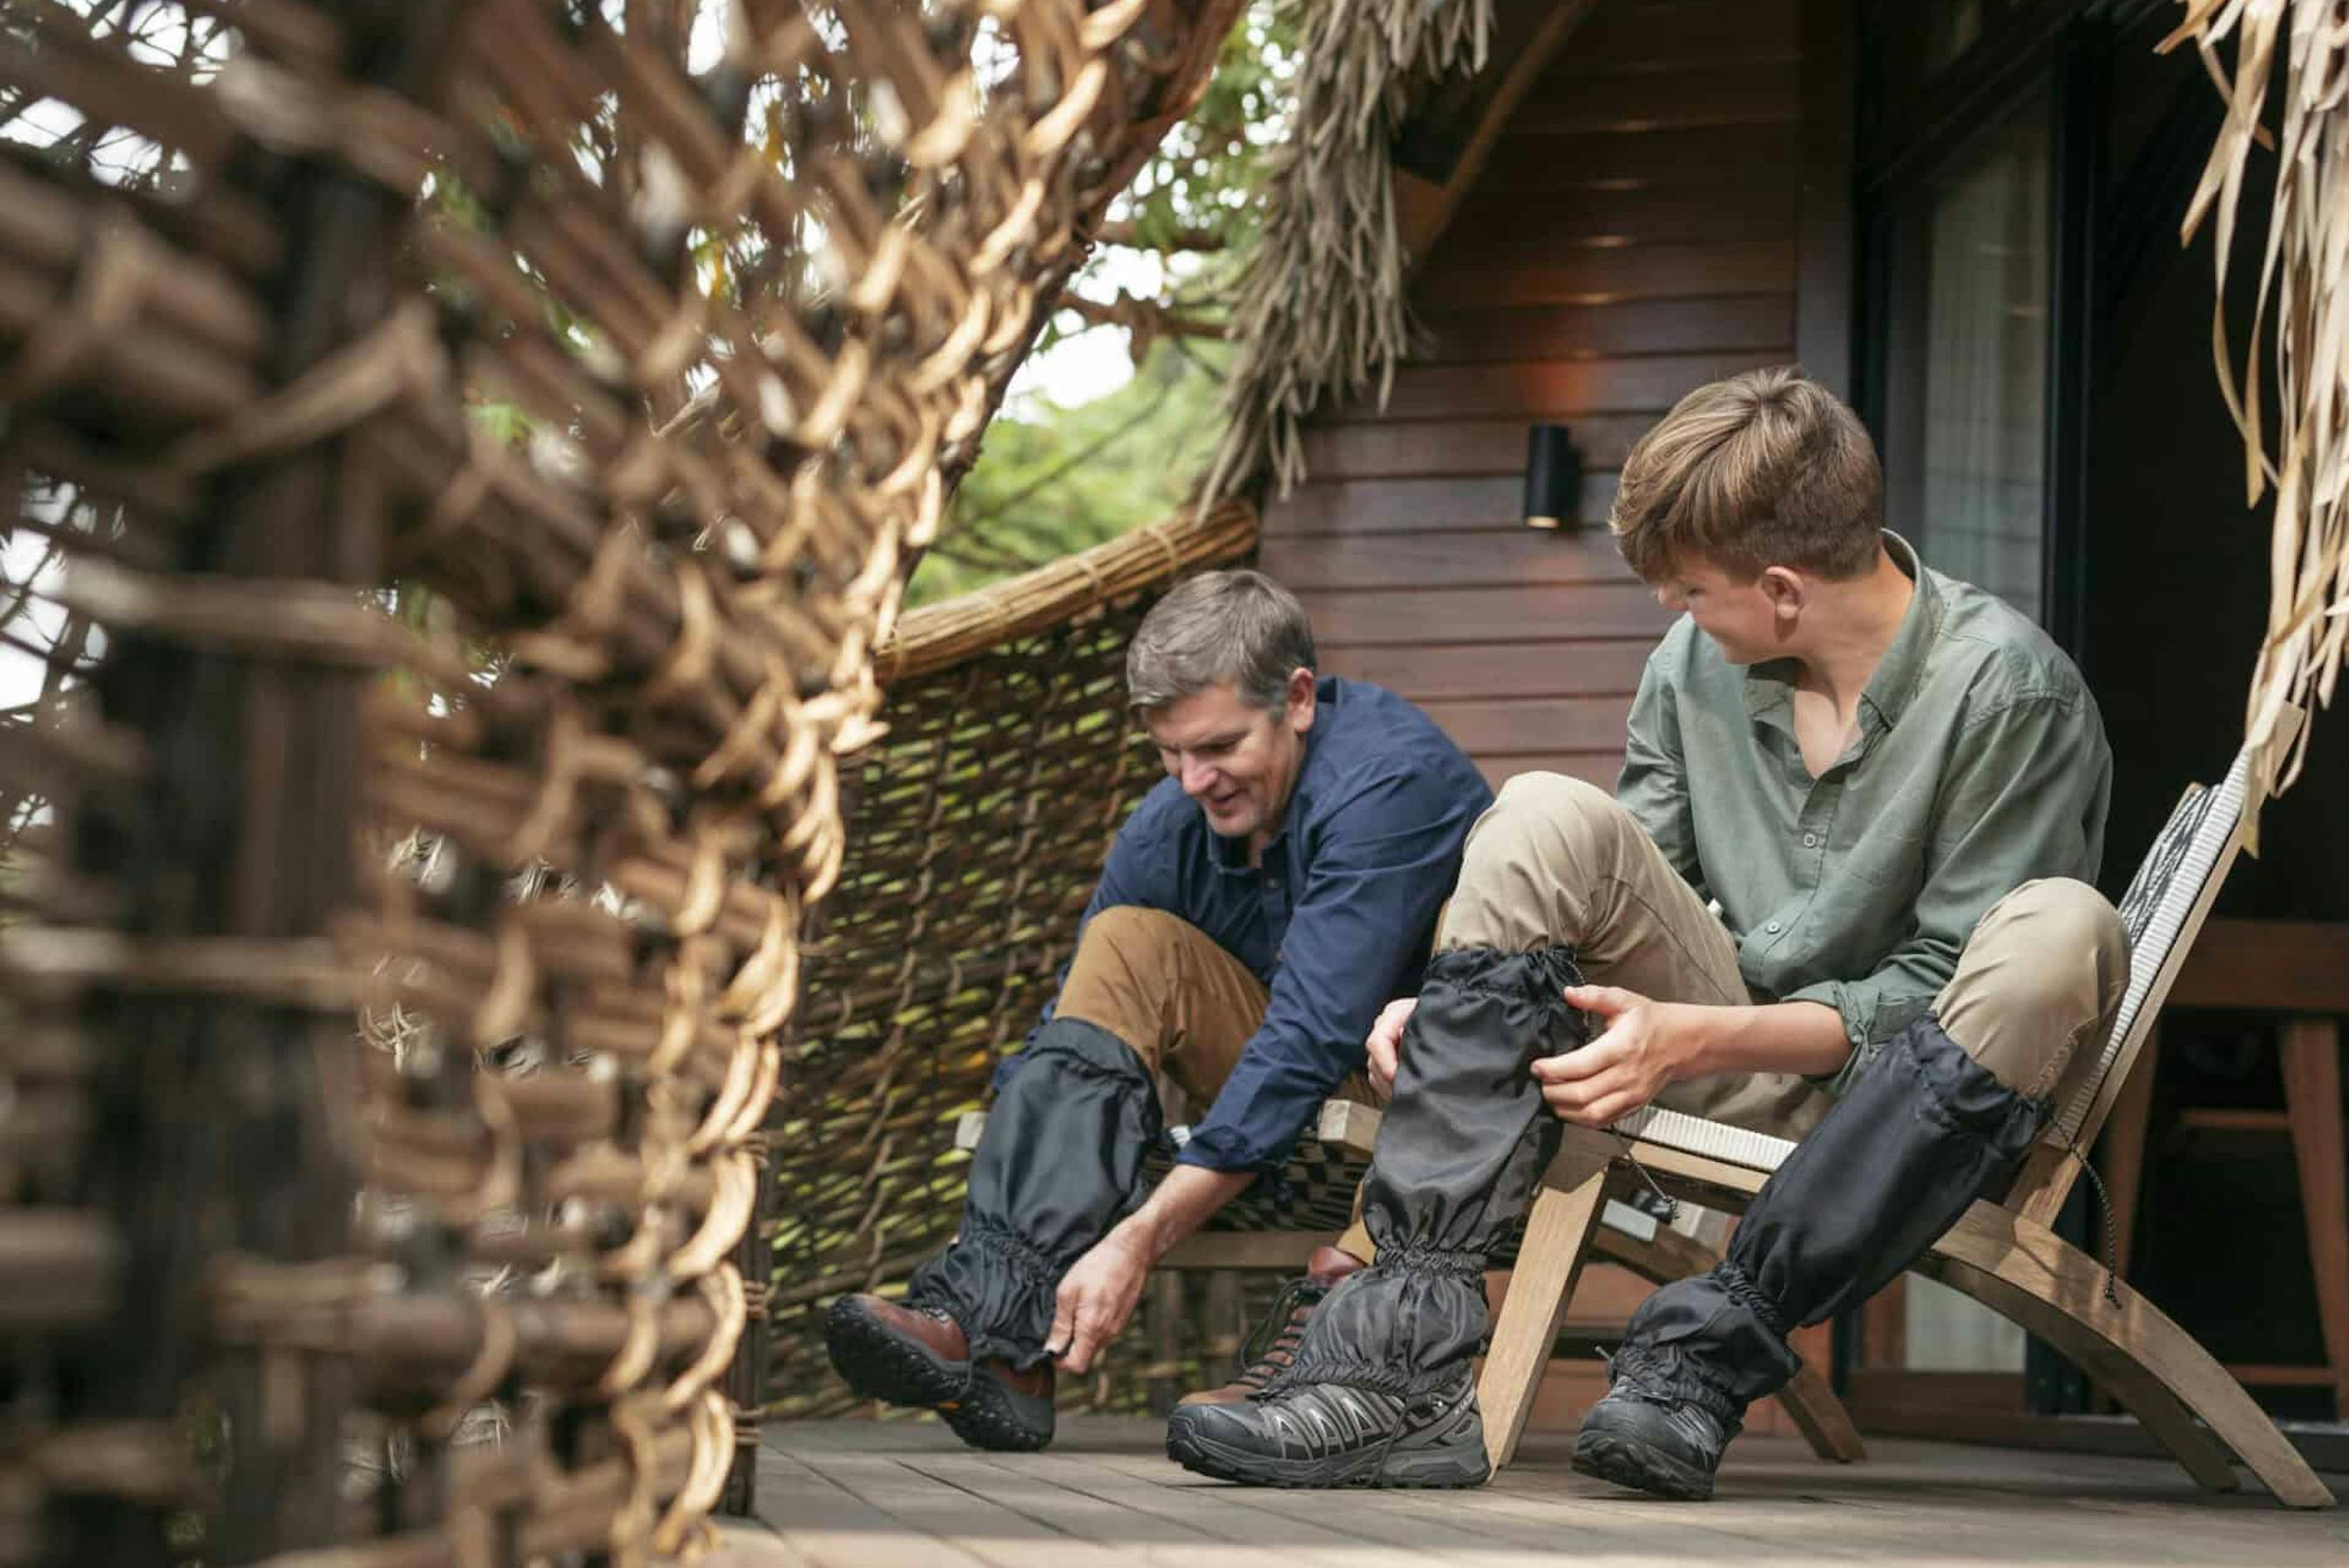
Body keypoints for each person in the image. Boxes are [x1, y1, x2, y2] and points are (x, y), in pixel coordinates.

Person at [1166, 366, 2127, 1494]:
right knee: (1544, 810)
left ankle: (1702, 1359)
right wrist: (1462, 998)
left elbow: (1940, 986)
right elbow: (1623, 878)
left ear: (1779, 590)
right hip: (1706, 1033)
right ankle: (1395, 1373)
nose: (1673, 617)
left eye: (1687, 593)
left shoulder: (2009, 694)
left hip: (1904, 1112)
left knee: (2066, 928)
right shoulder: (1694, 670)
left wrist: (1695, 1038)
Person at [822, 569, 1493, 1450]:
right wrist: (1092, 1135)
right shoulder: (1172, 822)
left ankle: (1000, 1345)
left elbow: (1308, 1037)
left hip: (1429, 1105)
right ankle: (991, 1330)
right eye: (1170, 753)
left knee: (1200, 990)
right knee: (1128, 944)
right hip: (1289, 1098)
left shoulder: (1385, 782)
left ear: (1296, 699)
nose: (1191, 781)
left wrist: (1137, 1236)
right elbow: (1081, 1023)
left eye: (1217, 747)